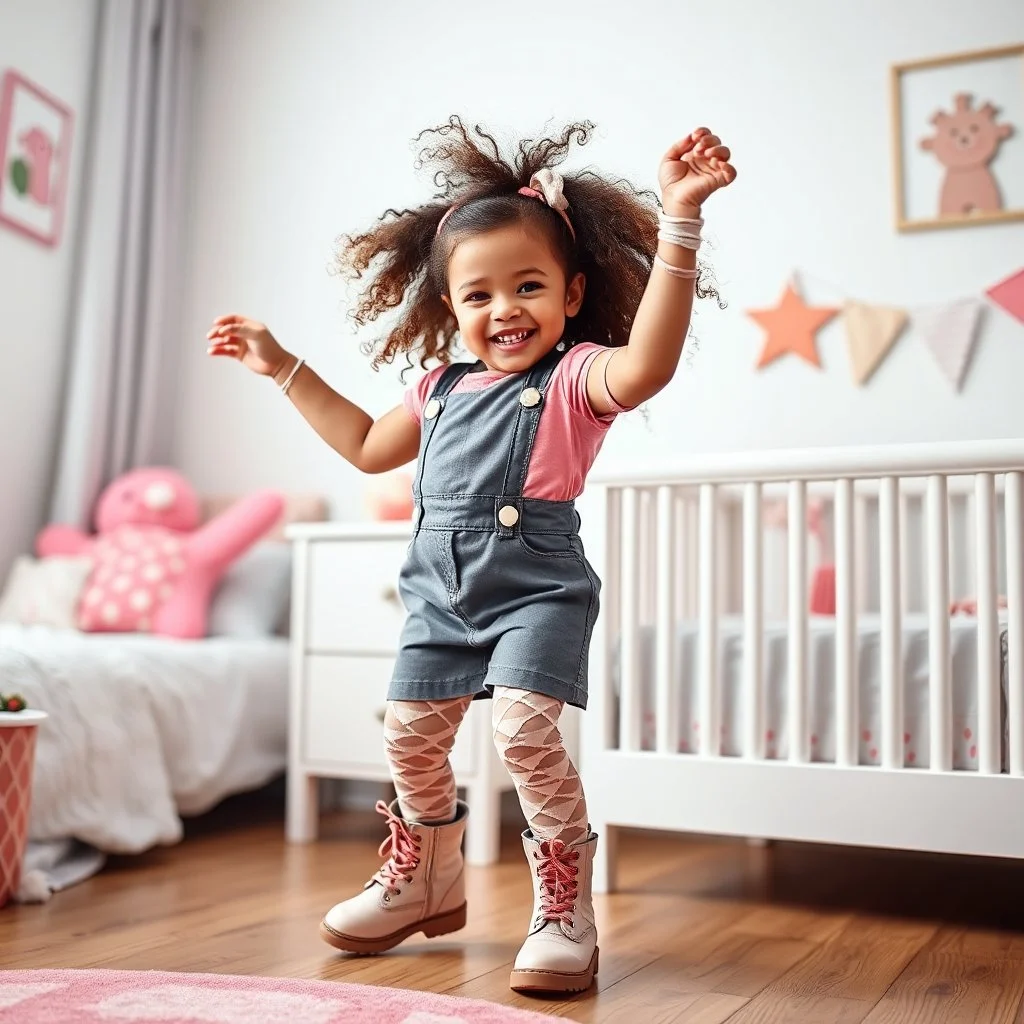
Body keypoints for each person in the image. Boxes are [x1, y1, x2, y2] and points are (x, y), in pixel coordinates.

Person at [207, 116, 736, 994]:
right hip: (438, 597)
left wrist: (681, 218)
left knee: (525, 731)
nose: (505, 310)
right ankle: (427, 875)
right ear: (450, 309)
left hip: (537, 591)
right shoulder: (438, 388)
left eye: (528, 287)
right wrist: (282, 364)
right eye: (480, 295)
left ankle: (565, 906)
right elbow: (369, 447)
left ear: (571, 297)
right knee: (410, 737)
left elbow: (649, 364)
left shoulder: (575, 382)